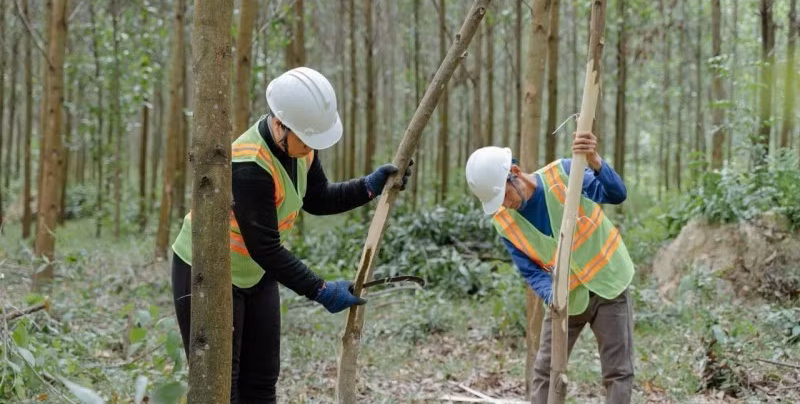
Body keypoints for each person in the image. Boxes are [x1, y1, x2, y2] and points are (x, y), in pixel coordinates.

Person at [170, 66, 412, 403]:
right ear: (280, 124)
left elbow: (318, 197)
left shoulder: (302, 146)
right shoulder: (249, 164)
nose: (313, 147)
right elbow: (265, 248)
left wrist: (368, 187)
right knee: (225, 387)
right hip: (209, 273)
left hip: (256, 274)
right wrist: (321, 290)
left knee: (263, 381)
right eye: (307, 139)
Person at [464, 132, 635, 404]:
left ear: (516, 173)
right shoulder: (503, 222)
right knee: (545, 371)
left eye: (504, 195)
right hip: (564, 297)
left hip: (609, 283)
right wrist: (551, 295)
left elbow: (616, 194)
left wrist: (595, 161)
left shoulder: (567, 174)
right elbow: (530, 270)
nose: (505, 205)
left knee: (618, 371)